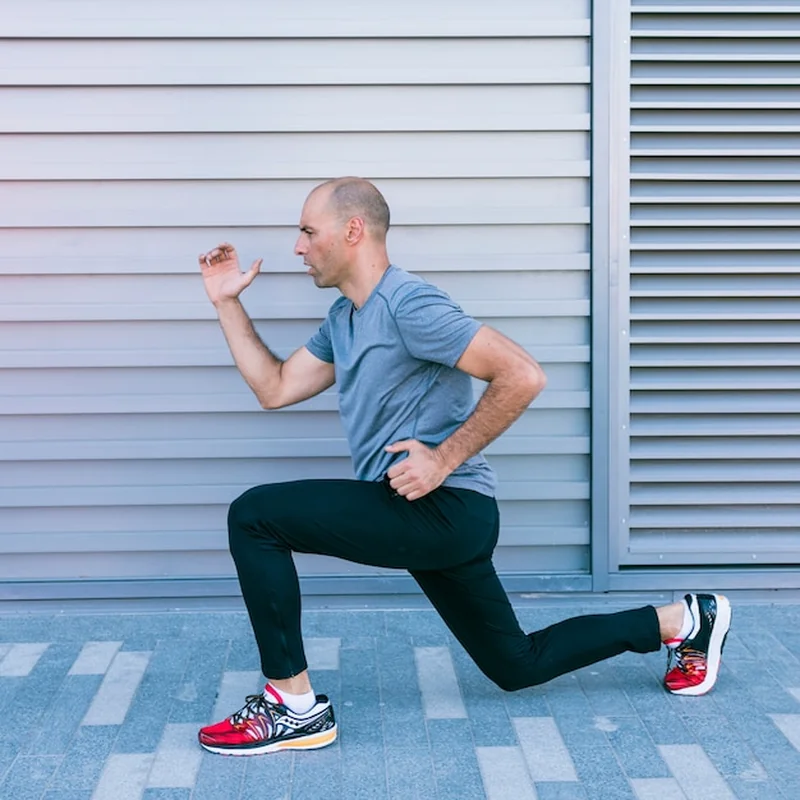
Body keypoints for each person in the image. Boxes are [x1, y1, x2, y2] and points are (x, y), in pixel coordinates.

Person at [195, 177, 732, 756]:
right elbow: (275, 388)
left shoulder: (409, 304)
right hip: (429, 515)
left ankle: (291, 705)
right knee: (516, 665)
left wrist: (443, 458)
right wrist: (227, 302)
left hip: (445, 509)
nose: (298, 247)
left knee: (255, 515)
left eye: (307, 231)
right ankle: (682, 620)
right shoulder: (346, 318)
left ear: (353, 231)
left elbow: (523, 375)